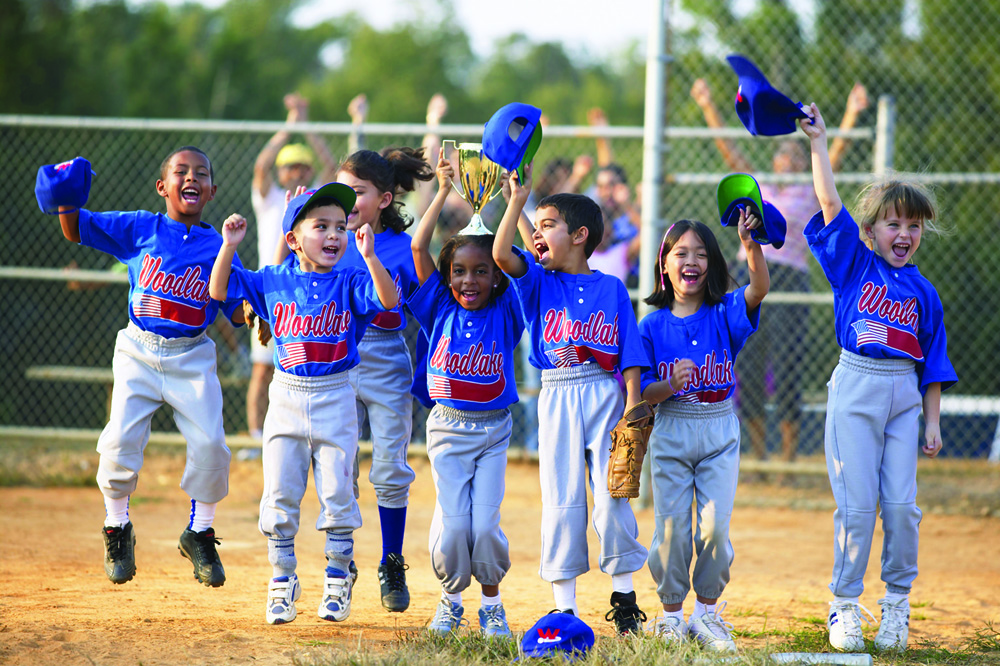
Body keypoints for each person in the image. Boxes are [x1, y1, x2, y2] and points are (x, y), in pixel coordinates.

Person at [45, 147, 246, 588]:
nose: (191, 178)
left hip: (192, 354)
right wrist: (64, 199)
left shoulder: (219, 245)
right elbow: (76, 228)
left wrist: (254, 317)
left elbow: (236, 306)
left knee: (212, 444)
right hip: (138, 349)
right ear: (162, 187)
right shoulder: (141, 227)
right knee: (119, 439)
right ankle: (117, 527)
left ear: (212, 191)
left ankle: (200, 532)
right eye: (180, 172)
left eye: (201, 174)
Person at [800, 104, 957, 652]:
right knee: (859, 506)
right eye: (893, 223)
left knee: (901, 508)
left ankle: (896, 606)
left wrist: (932, 422)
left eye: (913, 226)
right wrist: (820, 144)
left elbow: (931, 363)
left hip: (904, 399)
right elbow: (828, 201)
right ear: (869, 231)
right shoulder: (855, 266)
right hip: (856, 388)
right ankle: (844, 604)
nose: (905, 233)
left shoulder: (925, 293)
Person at [208, 183, 399, 625]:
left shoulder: (351, 279)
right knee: (280, 492)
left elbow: (388, 301)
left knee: (337, 491)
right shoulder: (273, 280)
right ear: (293, 239)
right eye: (321, 227)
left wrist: (370, 256)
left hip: (336, 396)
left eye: (340, 227)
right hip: (287, 397)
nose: (334, 236)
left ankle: (336, 576)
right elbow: (220, 293)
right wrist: (228, 246)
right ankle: (282, 579)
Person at [492, 166, 650, 635]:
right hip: (557, 391)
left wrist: (634, 405)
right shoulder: (538, 282)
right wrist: (517, 204)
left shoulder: (612, 288)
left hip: (604, 392)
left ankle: (624, 598)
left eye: (548, 226)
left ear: (579, 236)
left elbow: (630, 352)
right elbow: (503, 254)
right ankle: (564, 607)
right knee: (562, 498)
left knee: (611, 497)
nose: (537, 234)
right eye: (535, 227)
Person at [691, 78, 869, 463]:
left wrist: (852, 113)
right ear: (773, 161)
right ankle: (757, 455)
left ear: (803, 161)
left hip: (790, 278)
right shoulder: (760, 187)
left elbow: (834, 151)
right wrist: (708, 104)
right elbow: (729, 150)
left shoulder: (809, 188)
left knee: (788, 368)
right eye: (782, 153)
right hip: (751, 275)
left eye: (795, 153)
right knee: (750, 368)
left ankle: (788, 458)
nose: (787, 158)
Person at [406, 149, 531, 637]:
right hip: (447, 429)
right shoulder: (441, 302)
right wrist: (441, 191)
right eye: (459, 270)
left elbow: (507, 258)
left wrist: (513, 205)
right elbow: (420, 249)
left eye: (480, 272)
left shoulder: (506, 307)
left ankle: (492, 605)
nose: (469, 280)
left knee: (484, 528)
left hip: (493, 432)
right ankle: (450, 599)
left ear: (496, 277)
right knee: (455, 527)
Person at [638, 214, 770, 651]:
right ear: (664, 265)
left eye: (700, 254)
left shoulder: (724, 314)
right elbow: (643, 393)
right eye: (681, 253)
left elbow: (758, 289)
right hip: (672, 428)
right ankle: (672, 614)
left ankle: (707, 615)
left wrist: (750, 246)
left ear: (712, 264)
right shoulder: (651, 326)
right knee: (672, 529)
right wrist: (670, 384)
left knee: (714, 529)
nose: (691, 261)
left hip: (718, 431)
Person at [336, 146, 434, 612]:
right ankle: (342, 560)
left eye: (357, 191)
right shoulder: (328, 237)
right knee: (339, 467)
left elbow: (422, 305)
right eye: (342, 190)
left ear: (384, 199)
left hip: (385, 357)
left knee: (390, 468)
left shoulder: (401, 247)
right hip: (335, 356)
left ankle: (391, 562)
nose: (347, 200)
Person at [246, 92, 337, 449]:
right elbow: (260, 165)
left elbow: (331, 167)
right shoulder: (268, 199)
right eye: (290, 167)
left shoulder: (313, 203)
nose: (295, 172)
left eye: (301, 166)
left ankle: (301, 436)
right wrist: (289, 124)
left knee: (301, 365)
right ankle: (257, 438)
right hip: (271, 291)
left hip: (307, 292)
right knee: (262, 367)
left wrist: (307, 123)